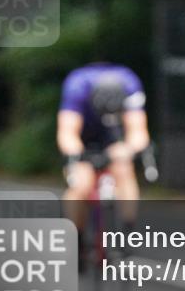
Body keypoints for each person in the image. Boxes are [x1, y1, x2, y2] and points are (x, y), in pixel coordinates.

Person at [57, 62, 152, 247]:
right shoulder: (77, 86)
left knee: (124, 170)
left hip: (113, 136)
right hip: (84, 134)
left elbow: (138, 131)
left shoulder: (129, 83)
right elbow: (67, 132)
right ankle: (77, 237)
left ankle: (127, 230)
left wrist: (128, 149)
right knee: (80, 184)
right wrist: (77, 155)